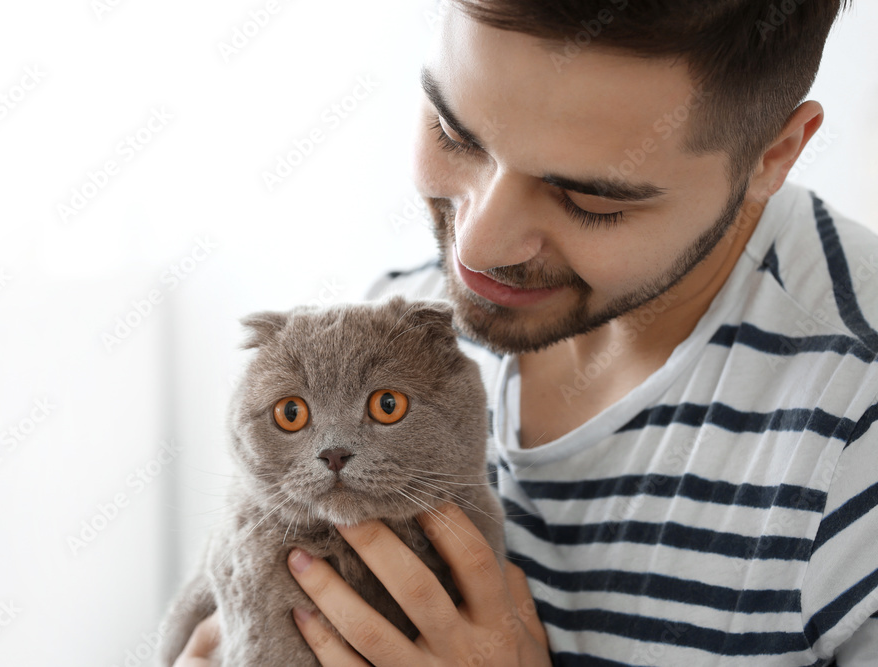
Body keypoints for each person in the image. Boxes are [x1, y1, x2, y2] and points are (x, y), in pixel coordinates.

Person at [178, 1, 877, 664]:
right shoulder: (400, 317)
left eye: (589, 197)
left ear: (773, 156)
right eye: (453, 132)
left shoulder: (856, 430)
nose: (475, 248)